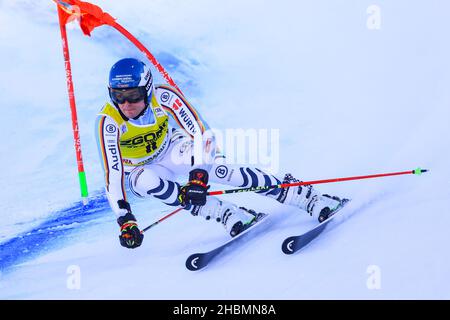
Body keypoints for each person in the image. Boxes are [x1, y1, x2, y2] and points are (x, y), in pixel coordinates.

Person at [96, 58, 344, 249]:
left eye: (133, 96)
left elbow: (202, 134)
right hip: (141, 169)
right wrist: (125, 218)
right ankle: (224, 213)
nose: (126, 104)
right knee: (144, 181)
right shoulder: (108, 121)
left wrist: (199, 175)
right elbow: (113, 174)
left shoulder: (163, 96)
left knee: (220, 171)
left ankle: (302, 195)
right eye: (118, 96)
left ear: (147, 90)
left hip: (171, 149)